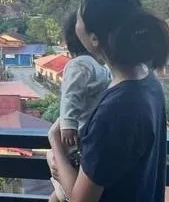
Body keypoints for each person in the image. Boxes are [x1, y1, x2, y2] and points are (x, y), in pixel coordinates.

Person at [48, 0, 169, 202]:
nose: (75, 22)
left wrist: (56, 145)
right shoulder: (147, 81)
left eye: (79, 17)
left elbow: (81, 200)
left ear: (94, 38)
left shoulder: (115, 110)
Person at [50, 11, 111, 202]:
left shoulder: (78, 65)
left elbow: (71, 96)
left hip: (77, 137)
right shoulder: (99, 67)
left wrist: (67, 124)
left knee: (59, 191)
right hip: (84, 134)